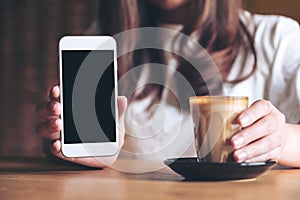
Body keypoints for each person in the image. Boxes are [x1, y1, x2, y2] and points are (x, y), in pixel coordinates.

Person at [36, 0, 300, 168]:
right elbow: (74, 146)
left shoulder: (278, 38)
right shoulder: (104, 40)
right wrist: (81, 154)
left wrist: (284, 140)